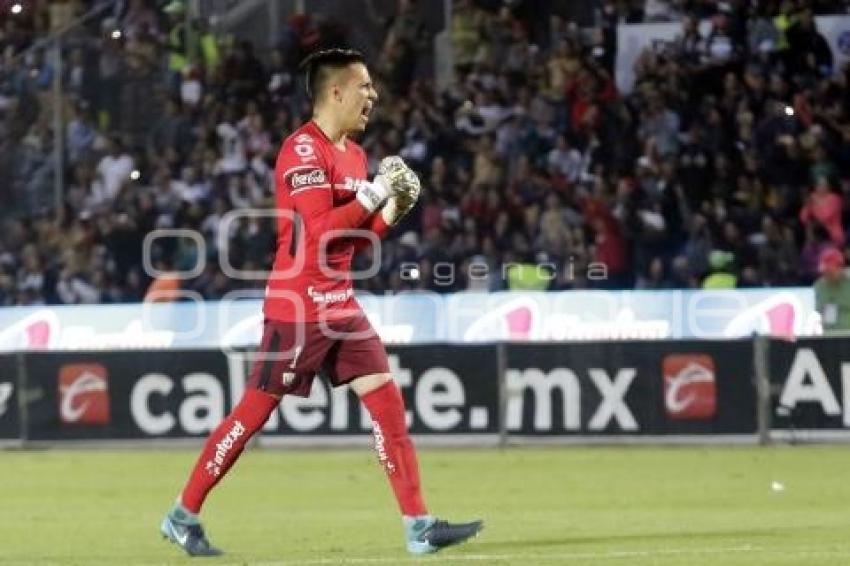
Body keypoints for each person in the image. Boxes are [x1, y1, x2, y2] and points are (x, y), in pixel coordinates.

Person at [159, 48, 483, 557]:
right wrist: (374, 195)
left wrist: (393, 208)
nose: (373, 96)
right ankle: (182, 514)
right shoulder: (301, 152)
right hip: (298, 308)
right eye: (365, 86)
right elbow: (319, 232)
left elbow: (353, 239)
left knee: (387, 403)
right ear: (336, 92)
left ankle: (418, 525)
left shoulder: (353, 155)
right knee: (251, 415)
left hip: (341, 304)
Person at [814, 247, 850, 332]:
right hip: (830, 335)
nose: (826, 274)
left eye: (830, 271)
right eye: (824, 271)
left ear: (840, 268)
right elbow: (820, 311)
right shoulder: (819, 286)